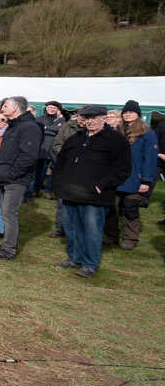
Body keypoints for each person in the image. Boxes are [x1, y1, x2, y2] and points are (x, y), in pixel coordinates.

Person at [52, 105, 132, 278]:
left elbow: (122, 168)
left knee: (92, 231)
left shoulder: (116, 140)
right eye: (87, 118)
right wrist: (59, 183)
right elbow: (61, 162)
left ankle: (90, 264)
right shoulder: (75, 138)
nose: (90, 121)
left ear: (104, 118)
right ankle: (74, 258)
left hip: (94, 196)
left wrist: (102, 185)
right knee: (71, 228)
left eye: (94, 118)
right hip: (69, 192)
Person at [0, 96, 42, 261]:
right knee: (5, 212)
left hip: (16, 179)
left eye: (5, 106)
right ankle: (6, 244)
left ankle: (9, 250)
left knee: (10, 213)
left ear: (15, 108)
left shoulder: (29, 127)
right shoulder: (13, 126)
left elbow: (29, 156)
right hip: (6, 176)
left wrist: (12, 174)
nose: (2, 108)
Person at [103, 100, 158, 250]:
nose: (128, 114)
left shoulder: (147, 134)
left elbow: (150, 159)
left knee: (131, 209)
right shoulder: (115, 132)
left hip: (135, 178)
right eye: (125, 112)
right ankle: (111, 235)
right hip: (115, 177)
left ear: (138, 115)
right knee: (110, 208)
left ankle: (130, 238)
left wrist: (146, 181)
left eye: (131, 112)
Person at [33, 101, 65, 199]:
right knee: (37, 171)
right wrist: (53, 129)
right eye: (50, 107)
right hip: (40, 148)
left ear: (57, 110)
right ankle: (35, 190)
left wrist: (45, 127)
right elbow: (38, 129)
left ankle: (48, 191)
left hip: (53, 148)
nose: (52, 109)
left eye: (55, 108)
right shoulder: (39, 118)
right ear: (46, 108)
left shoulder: (61, 120)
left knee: (51, 172)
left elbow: (60, 130)